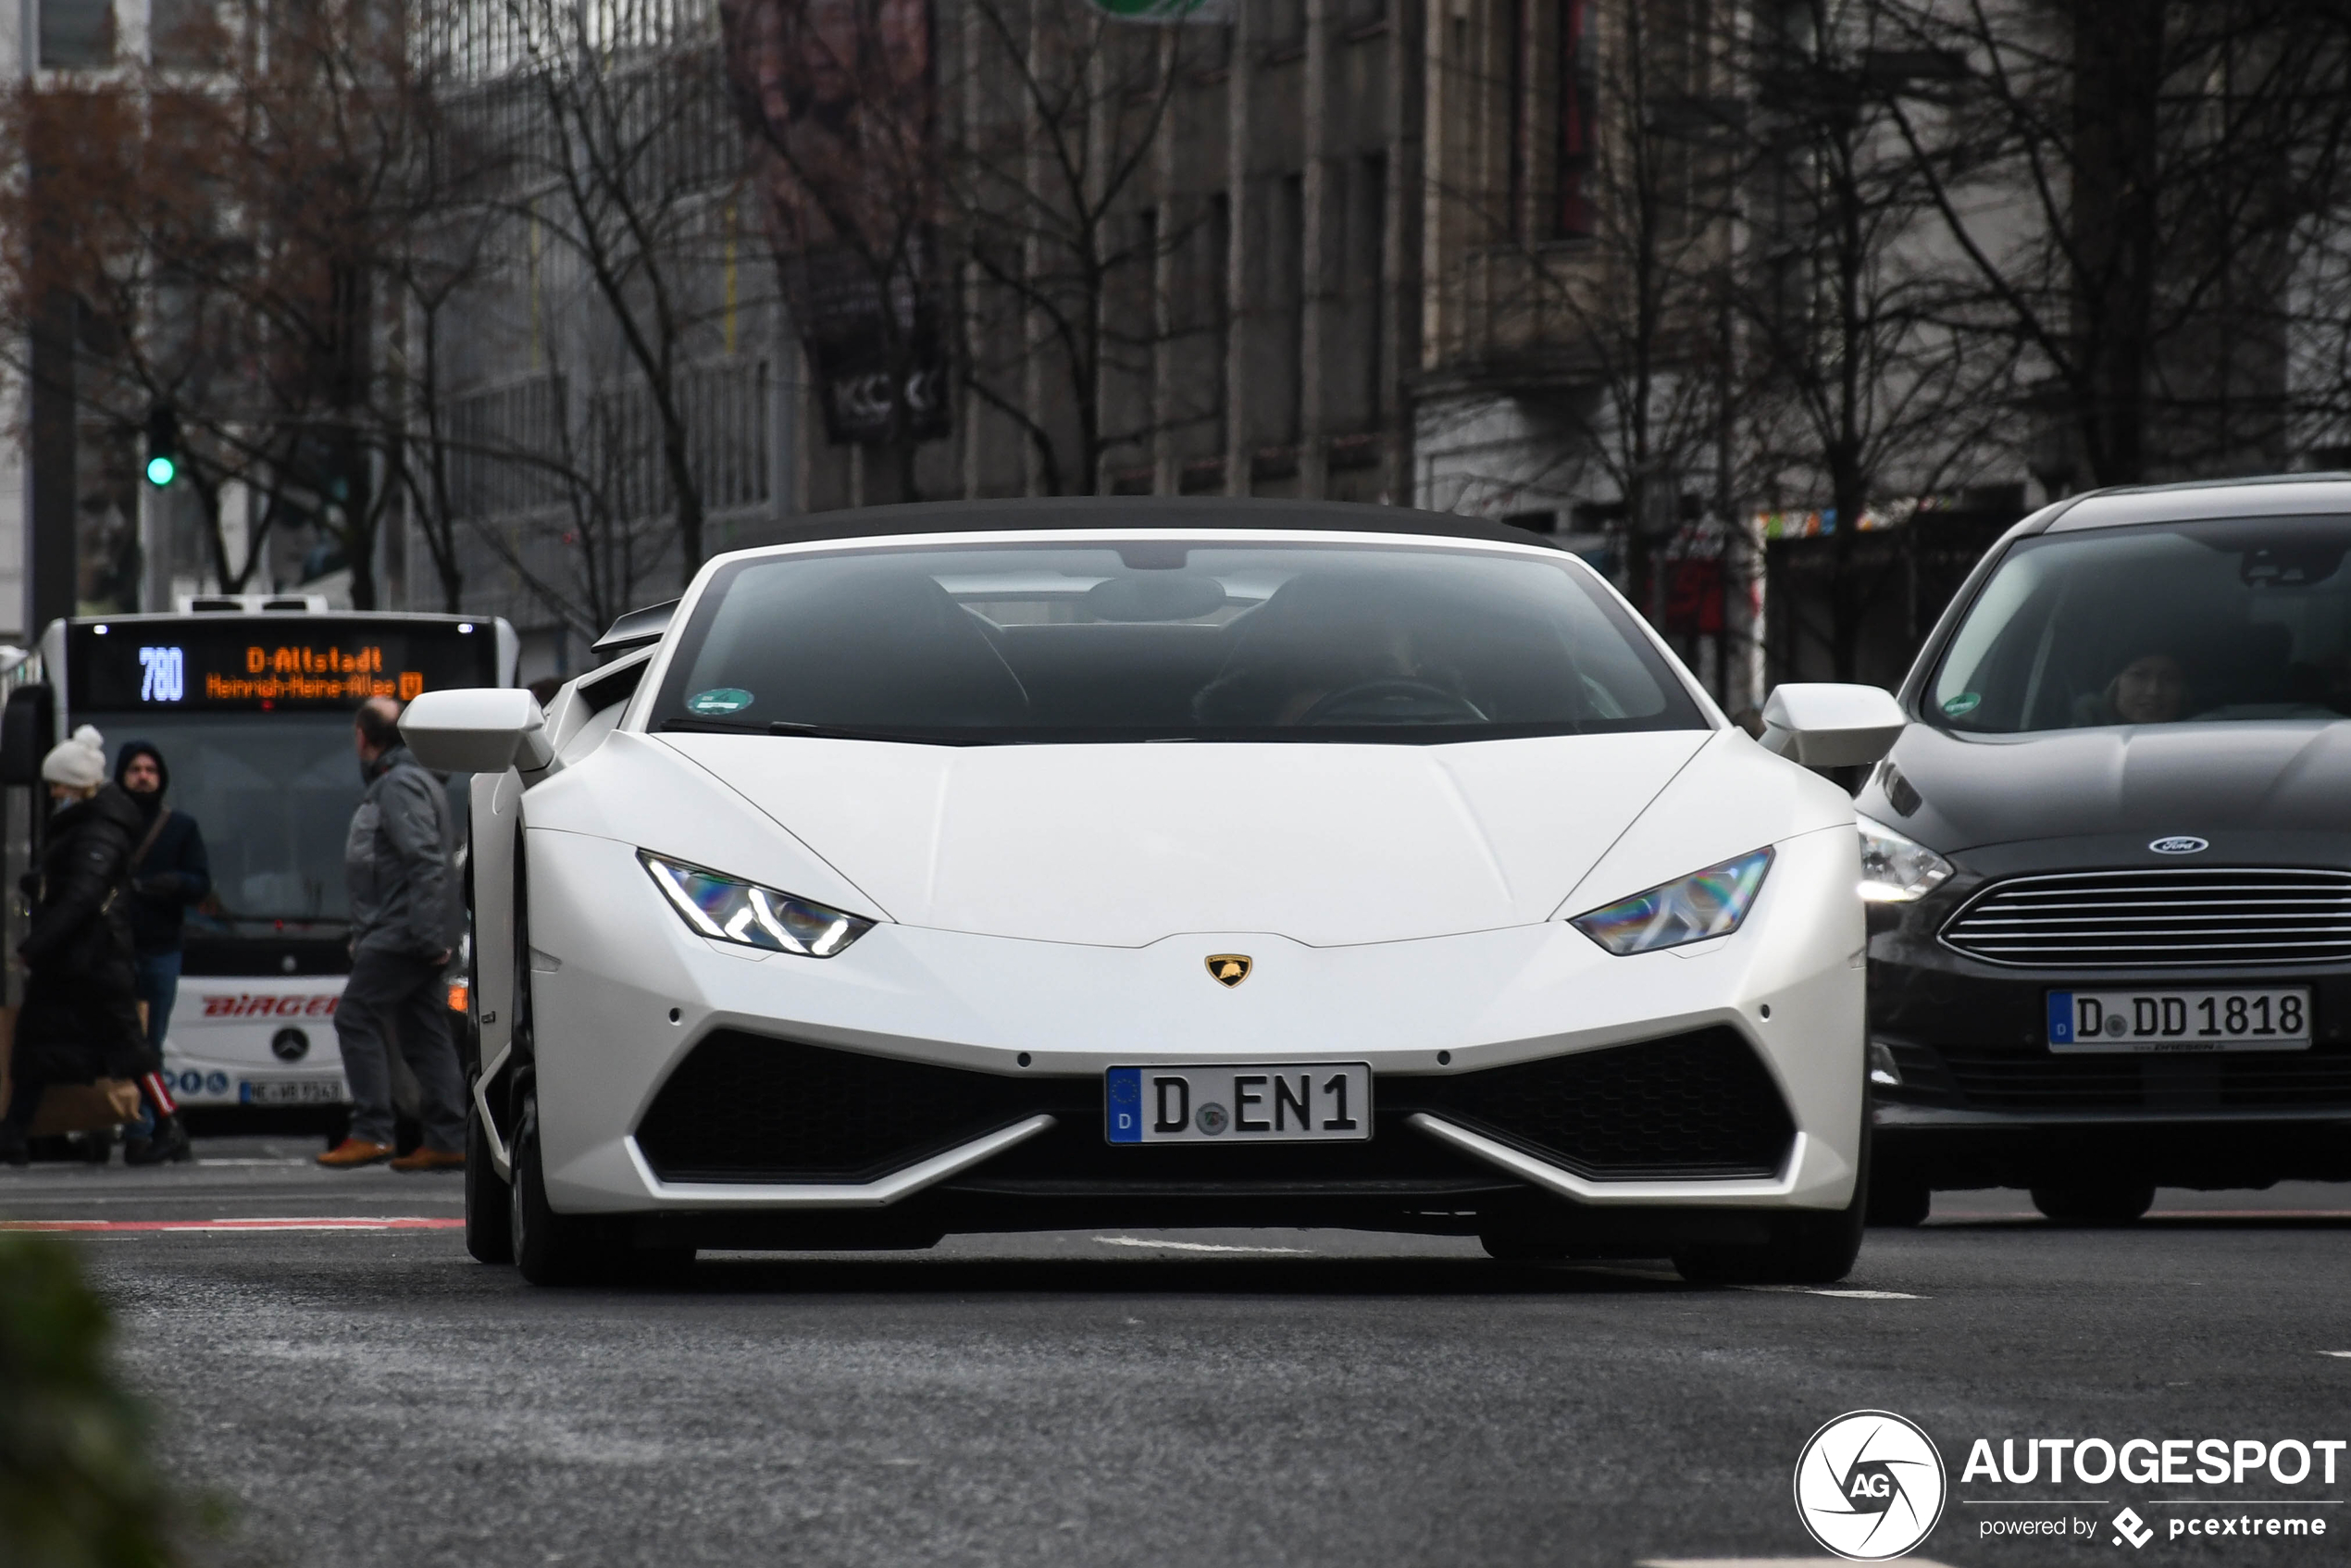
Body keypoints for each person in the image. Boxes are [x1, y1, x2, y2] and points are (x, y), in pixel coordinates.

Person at [317, 696, 469, 1172]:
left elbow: (423, 862)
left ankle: (371, 1130)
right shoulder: (414, 780)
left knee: (355, 1017)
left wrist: (425, 937)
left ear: (363, 737)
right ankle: (449, 1137)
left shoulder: (398, 785)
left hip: (403, 931)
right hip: (413, 929)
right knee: (423, 1032)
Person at [0, 728, 152, 1166]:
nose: (54, 794)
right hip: (78, 958)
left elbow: (84, 894)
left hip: (88, 958)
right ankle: (15, 1132)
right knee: (40, 1048)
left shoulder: (98, 829)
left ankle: (167, 1122)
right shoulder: (90, 826)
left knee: (122, 1048)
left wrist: (37, 943)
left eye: (59, 786)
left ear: (78, 786)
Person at [115, 740, 208, 1165]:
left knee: (148, 1043)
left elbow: (201, 884)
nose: (143, 776)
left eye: (150, 769)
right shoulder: (110, 825)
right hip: (115, 950)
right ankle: (134, 1126)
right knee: (125, 1042)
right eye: (135, 769)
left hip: (160, 948)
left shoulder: (180, 828)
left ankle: (146, 1129)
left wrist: (175, 883)